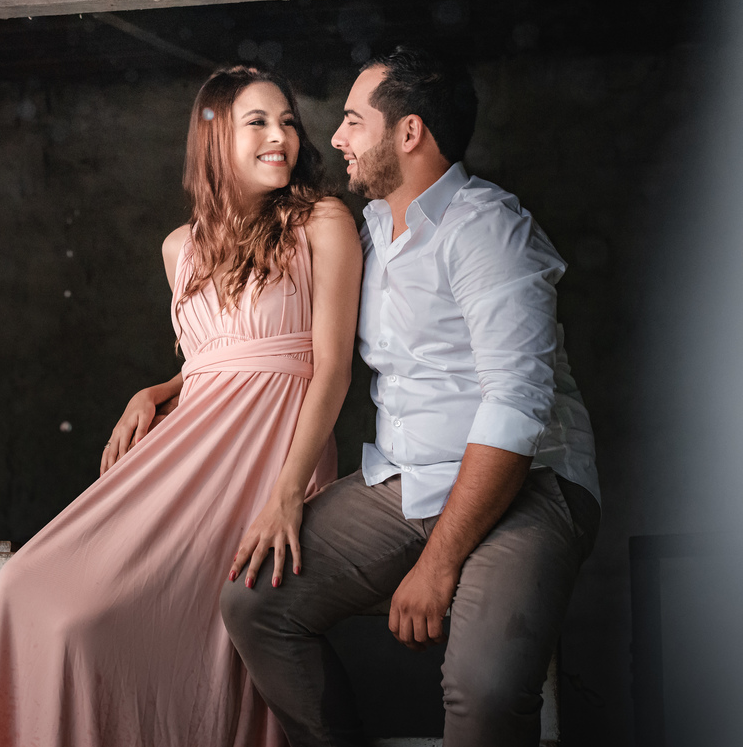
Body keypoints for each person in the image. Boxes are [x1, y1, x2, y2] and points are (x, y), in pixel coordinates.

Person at [218, 46, 601, 747]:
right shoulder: (365, 232)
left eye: (353, 121)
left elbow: (515, 408)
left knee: (484, 689)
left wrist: (438, 563)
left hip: (527, 486)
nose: (336, 137)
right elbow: (272, 334)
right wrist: (169, 387)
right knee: (255, 601)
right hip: (402, 480)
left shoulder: (488, 230)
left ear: (409, 132)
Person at [0, 65, 362, 747]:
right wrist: (158, 391)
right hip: (189, 454)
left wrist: (286, 495)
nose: (281, 137)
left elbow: (329, 367)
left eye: (288, 122)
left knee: (148, 625)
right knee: (24, 587)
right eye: (257, 122)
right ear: (214, 139)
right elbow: (216, 360)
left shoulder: (323, 222)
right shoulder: (178, 249)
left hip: (272, 462)